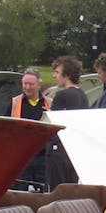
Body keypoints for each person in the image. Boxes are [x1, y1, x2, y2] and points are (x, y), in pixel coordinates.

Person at [43, 56, 86, 188]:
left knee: (57, 190)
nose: (54, 75)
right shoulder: (83, 96)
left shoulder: (62, 96)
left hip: (59, 151)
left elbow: (54, 125)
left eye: (57, 72)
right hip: (75, 152)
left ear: (67, 75)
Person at [10, 69, 47, 189]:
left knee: (44, 192)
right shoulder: (15, 103)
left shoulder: (49, 103)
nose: (27, 87)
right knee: (19, 192)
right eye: (25, 84)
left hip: (43, 157)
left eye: (31, 84)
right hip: (21, 157)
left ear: (39, 85)